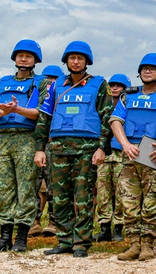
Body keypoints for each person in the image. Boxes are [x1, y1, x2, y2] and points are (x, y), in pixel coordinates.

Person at [35, 41, 113, 257]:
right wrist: (40, 148)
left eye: (80, 58)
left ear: (87, 61)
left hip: (86, 150)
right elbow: (45, 117)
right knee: (59, 197)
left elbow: (108, 117)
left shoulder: (99, 84)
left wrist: (102, 148)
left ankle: (81, 243)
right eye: (72, 58)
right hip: (58, 149)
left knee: (83, 197)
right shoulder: (56, 85)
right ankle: (64, 240)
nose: (76, 62)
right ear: (66, 61)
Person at [110, 54, 156, 262]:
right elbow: (115, 120)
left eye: (152, 69)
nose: (147, 71)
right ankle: (133, 244)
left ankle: (148, 243)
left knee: (152, 199)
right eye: (144, 68)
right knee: (128, 200)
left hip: (153, 151)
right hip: (130, 152)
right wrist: (125, 144)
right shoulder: (127, 96)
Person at [0, 40, 44, 253]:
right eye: (20, 55)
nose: (24, 59)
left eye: (28, 55)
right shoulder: (2, 83)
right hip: (3, 138)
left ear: (36, 59)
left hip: (27, 138)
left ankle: (21, 238)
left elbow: (41, 113)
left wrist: (17, 110)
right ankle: (4, 237)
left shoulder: (41, 83)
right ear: (14, 58)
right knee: (3, 187)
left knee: (26, 187)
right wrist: (4, 112)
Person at [94, 73, 130, 242]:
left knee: (121, 192)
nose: (115, 88)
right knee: (102, 192)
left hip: (120, 153)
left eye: (119, 86)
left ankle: (118, 228)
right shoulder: (101, 105)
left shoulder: (127, 106)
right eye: (112, 85)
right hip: (104, 154)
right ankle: (104, 227)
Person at [33, 64, 63, 236]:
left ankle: (54, 221)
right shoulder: (36, 97)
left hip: (55, 144)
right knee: (35, 185)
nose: (50, 81)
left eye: (54, 78)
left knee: (54, 185)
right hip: (37, 144)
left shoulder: (62, 96)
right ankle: (34, 221)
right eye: (47, 78)